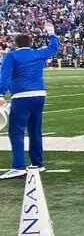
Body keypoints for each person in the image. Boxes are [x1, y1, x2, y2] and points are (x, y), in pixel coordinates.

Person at [0, 21, 58, 179]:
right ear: (30, 42)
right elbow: (54, 47)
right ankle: (38, 164)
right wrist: (51, 33)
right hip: (39, 95)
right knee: (35, 130)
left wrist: (0, 94)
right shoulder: (38, 53)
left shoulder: (11, 55)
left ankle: (18, 166)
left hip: (21, 96)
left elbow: (4, 75)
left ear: (15, 44)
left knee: (16, 131)